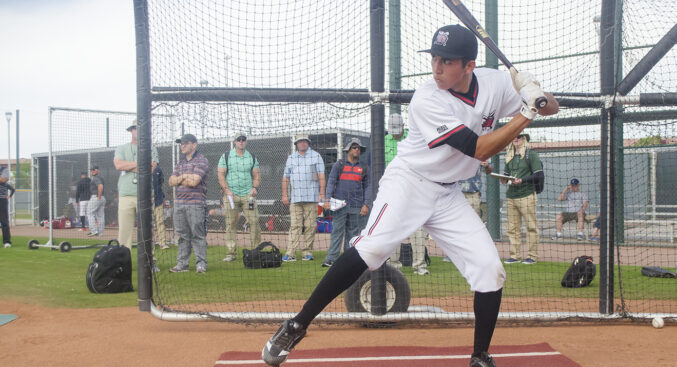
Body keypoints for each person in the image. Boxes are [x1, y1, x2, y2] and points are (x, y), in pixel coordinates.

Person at [262, 24, 558, 367]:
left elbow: (552, 107)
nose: (436, 66)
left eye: (447, 61)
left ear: (469, 66)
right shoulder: (427, 98)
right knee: (371, 249)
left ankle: (479, 356)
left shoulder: (494, 83)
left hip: (448, 194)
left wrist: (536, 92)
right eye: (434, 58)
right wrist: (526, 112)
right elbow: (478, 149)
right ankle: (296, 325)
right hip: (410, 182)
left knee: (490, 269)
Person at [384, 114, 430, 274]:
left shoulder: (414, 138)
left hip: (414, 189)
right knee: (394, 228)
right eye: (393, 130)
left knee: (418, 229)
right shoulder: (383, 142)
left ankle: (420, 266)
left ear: (403, 126)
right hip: (393, 190)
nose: (395, 133)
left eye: (398, 129)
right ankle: (394, 266)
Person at [321, 138, 371, 267]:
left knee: (353, 234)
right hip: (339, 205)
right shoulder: (339, 164)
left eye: (359, 148)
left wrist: (366, 204)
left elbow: (368, 186)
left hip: (356, 205)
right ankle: (331, 259)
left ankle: (348, 260)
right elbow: (331, 181)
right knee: (336, 231)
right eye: (354, 147)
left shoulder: (364, 167)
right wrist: (327, 199)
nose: (357, 150)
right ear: (348, 149)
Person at [113, 121, 159, 249]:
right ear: (131, 130)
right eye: (135, 128)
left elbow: (150, 169)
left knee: (146, 230)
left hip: (145, 194)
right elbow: (118, 165)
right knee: (124, 231)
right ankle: (123, 261)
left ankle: (151, 260)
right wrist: (141, 164)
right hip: (125, 194)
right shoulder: (121, 148)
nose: (138, 131)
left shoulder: (151, 148)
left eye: (141, 128)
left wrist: (129, 165)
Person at [168, 134, 210, 274]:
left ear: (194, 144)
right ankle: (182, 264)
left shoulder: (202, 160)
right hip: (179, 203)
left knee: (197, 235)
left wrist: (180, 179)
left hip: (196, 204)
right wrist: (185, 176)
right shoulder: (180, 163)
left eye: (185, 143)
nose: (183, 146)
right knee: (182, 235)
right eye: (181, 143)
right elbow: (171, 182)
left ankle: (201, 264)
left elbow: (194, 182)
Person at [218, 131, 261, 262]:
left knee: (254, 221)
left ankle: (255, 251)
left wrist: (254, 188)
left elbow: (257, 176)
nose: (241, 141)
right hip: (231, 196)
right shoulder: (226, 156)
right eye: (238, 139)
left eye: (243, 139)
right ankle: (231, 253)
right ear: (235, 142)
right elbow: (220, 175)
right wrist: (227, 190)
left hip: (248, 196)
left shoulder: (251, 157)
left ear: (246, 141)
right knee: (230, 223)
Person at [282, 133, 325, 262]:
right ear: (296, 144)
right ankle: (291, 253)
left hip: (312, 198)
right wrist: (284, 194)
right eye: (300, 141)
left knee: (310, 226)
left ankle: (307, 252)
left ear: (308, 143)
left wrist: (322, 193)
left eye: (305, 141)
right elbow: (285, 178)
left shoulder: (316, 156)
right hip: (295, 198)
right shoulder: (291, 158)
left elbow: (321, 175)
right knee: (295, 226)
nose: (302, 143)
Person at [501, 133, 542, 264]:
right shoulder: (509, 156)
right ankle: (515, 256)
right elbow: (506, 175)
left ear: (524, 139)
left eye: (519, 136)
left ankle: (532, 256)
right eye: (513, 137)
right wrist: (503, 179)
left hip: (527, 195)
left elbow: (538, 175)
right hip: (511, 195)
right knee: (512, 228)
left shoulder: (531, 154)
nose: (515, 139)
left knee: (531, 226)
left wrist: (522, 180)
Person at [152, 165, 170, 249]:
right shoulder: (142, 166)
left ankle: (162, 243)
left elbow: (161, 182)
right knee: (148, 224)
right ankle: (149, 244)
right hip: (146, 202)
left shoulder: (158, 169)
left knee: (160, 222)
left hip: (158, 199)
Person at [86, 166, 105, 237]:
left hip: (96, 197)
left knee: (89, 213)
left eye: (94, 170)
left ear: (98, 171)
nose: (92, 171)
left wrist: (98, 197)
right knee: (100, 216)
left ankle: (93, 230)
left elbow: (100, 186)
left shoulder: (96, 178)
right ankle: (100, 233)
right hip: (102, 197)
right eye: (91, 170)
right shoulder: (101, 177)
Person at [0, 165, 11, 248]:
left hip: (2, 200)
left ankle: (6, 241)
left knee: (4, 222)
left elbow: (3, 179)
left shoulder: (4, 169)